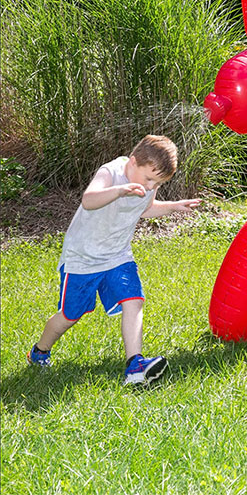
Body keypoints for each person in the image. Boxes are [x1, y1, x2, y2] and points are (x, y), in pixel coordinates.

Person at [27, 135, 201, 386]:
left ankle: (135, 364)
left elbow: (145, 208)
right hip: (83, 258)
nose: (151, 186)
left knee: (134, 300)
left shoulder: (148, 182)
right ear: (133, 162)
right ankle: (40, 351)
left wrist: (173, 206)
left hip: (118, 255)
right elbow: (89, 199)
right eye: (149, 179)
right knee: (70, 315)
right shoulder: (111, 172)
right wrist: (120, 190)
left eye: (157, 182)